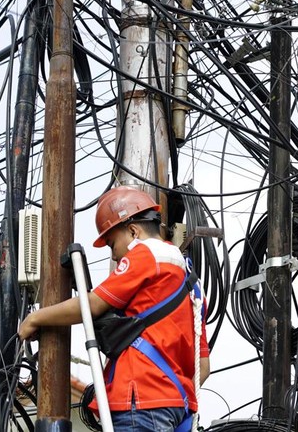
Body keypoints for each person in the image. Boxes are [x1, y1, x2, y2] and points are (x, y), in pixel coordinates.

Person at [18, 185, 210, 432]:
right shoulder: (194, 286)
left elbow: (93, 304)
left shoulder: (147, 254)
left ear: (132, 231)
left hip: (140, 401)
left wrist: (36, 318)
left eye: (112, 244)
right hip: (177, 410)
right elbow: (202, 367)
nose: (116, 257)